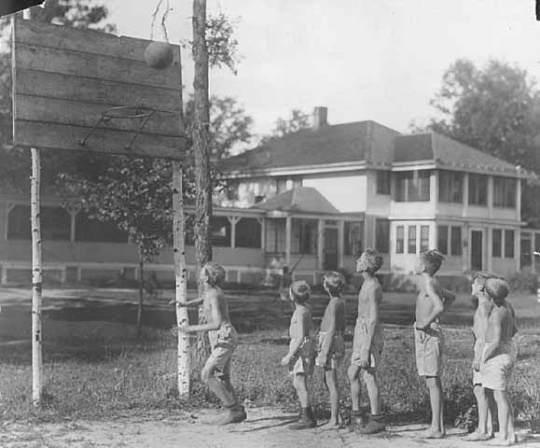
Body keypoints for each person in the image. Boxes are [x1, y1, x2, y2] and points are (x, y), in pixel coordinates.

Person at [178, 262, 247, 425]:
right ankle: (238, 411)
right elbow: (203, 299)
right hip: (220, 338)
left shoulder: (215, 294)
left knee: (206, 374)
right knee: (223, 377)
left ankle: (233, 410)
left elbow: (216, 323)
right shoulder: (210, 292)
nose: (199, 274)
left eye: (201, 272)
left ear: (207, 277)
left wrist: (190, 328)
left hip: (224, 336)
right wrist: (186, 304)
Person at [414, 249, 455, 439]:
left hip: (430, 335)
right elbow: (451, 297)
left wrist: (426, 322)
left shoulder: (429, 283)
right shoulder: (431, 283)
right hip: (426, 336)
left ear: (423, 266)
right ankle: (437, 426)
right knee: (431, 380)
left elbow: (439, 306)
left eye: (417, 261)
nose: (415, 264)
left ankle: (436, 428)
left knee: (433, 381)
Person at [348, 248, 386, 434]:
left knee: (369, 375)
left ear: (367, 265)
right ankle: (356, 415)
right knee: (352, 372)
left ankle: (376, 418)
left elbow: (373, 319)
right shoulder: (366, 284)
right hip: (361, 329)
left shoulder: (373, 288)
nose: (357, 260)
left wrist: (365, 348)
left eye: (360, 259)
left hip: (368, 333)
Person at [480, 278, 518, 446]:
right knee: (503, 395)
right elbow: (515, 329)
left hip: (497, 354)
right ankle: (511, 433)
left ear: (488, 295)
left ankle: (503, 436)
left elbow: (495, 342)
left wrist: (484, 357)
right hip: (509, 349)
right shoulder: (508, 306)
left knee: (499, 396)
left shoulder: (496, 313)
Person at [463, 272, 499, 442]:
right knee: (486, 390)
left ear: (481, 288)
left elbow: (484, 335)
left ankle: (482, 428)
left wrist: (478, 358)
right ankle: (489, 427)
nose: (471, 286)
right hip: (484, 348)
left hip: (482, 349)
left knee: (480, 389)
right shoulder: (486, 305)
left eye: (474, 284)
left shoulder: (483, 307)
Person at [280, 280, 317, 429]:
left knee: (299, 382)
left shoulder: (300, 313)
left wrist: (289, 355)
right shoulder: (306, 308)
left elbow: (301, 336)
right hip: (303, 346)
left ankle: (307, 417)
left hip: (300, 348)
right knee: (298, 381)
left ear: (292, 296)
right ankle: (304, 411)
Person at [316, 271, 347, 429]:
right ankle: (338, 417)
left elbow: (332, 328)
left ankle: (334, 420)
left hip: (330, 341)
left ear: (327, 286)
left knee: (331, 381)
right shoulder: (340, 301)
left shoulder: (334, 303)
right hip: (337, 340)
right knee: (328, 380)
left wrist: (324, 351)